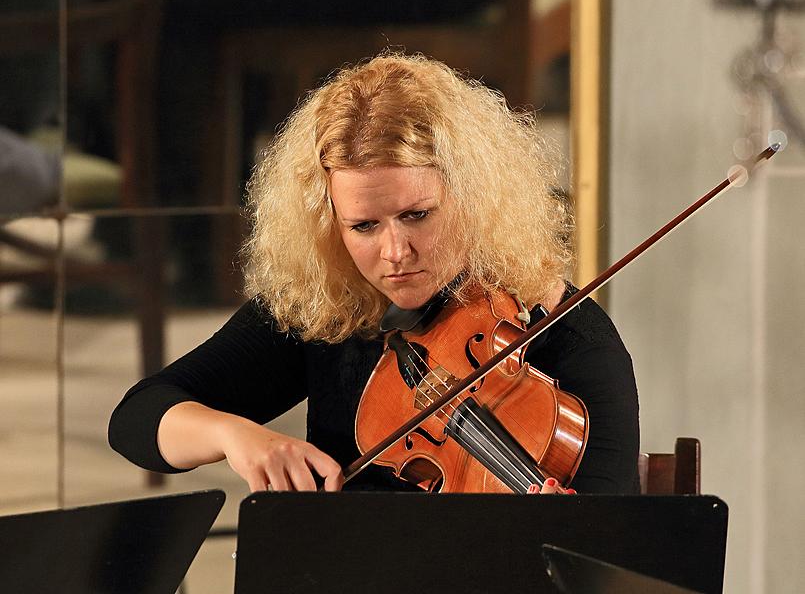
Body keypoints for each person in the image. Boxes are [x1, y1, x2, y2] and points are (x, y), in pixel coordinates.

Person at [108, 53, 639, 494]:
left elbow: (610, 558)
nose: (395, 252)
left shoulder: (570, 341)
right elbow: (137, 419)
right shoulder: (334, 309)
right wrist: (235, 435)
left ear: (474, 195)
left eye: (416, 215)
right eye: (363, 226)